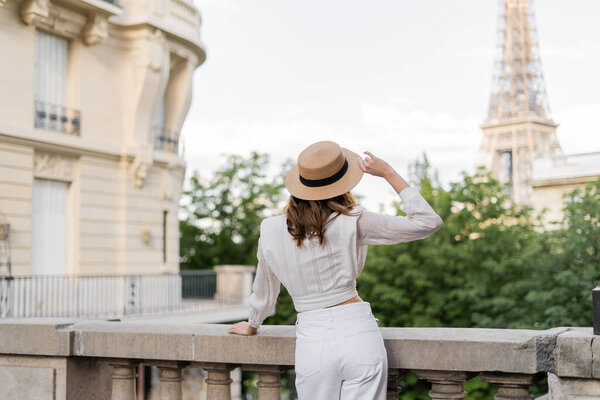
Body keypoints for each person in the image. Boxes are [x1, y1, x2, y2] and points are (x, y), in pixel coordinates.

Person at [228, 140, 443, 399]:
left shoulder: (271, 229)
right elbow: (428, 222)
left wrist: (253, 324)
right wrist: (388, 172)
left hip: (312, 341)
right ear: (343, 184)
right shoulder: (355, 221)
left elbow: (264, 289)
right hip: (358, 332)